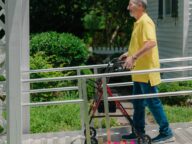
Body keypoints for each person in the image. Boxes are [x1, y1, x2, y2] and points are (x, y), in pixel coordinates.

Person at [119, 0, 175, 143]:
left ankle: (166, 132)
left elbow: (151, 43)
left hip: (147, 71)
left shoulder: (146, 21)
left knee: (152, 102)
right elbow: (141, 44)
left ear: (140, 6)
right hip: (139, 72)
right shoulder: (138, 22)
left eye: (130, 4)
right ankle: (138, 131)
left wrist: (134, 56)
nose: (128, 7)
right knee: (137, 102)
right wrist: (129, 53)